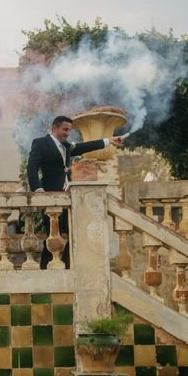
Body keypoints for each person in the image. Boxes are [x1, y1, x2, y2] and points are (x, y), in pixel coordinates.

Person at [27, 115, 122, 269]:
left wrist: (109, 140)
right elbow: (32, 168)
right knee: (52, 235)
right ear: (55, 127)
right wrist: (38, 190)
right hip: (50, 197)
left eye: (69, 130)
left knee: (75, 232)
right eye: (65, 129)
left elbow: (85, 146)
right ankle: (45, 269)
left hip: (68, 198)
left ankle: (67, 266)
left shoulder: (67, 146)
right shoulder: (40, 143)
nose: (67, 133)